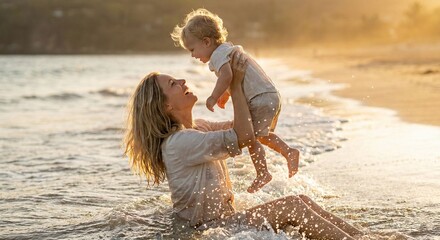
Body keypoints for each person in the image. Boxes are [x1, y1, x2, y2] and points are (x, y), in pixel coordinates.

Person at [124, 51, 363, 239]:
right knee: (292, 206)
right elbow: (242, 134)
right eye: (173, 84)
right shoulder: (179, 143)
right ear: (165, 106)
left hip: (222, 223)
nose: (182, 80)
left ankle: (365, 237)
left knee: (301, 200)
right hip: (206, 232)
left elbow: (250, 128)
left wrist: (255, 94)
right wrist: (234, 85)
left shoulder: (199, 127)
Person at [171, 8, 299, 193]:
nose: (192, 55)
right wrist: (227, 95)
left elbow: (227, 76)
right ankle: (286, 154)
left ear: (206, 41)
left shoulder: (217, 56)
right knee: (261, 135)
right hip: (270, 96)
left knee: (251, 137)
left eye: (193, 49)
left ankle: (265, 171)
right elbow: (238, 78)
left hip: (259, 99)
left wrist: (214, 96)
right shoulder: (229, 50)